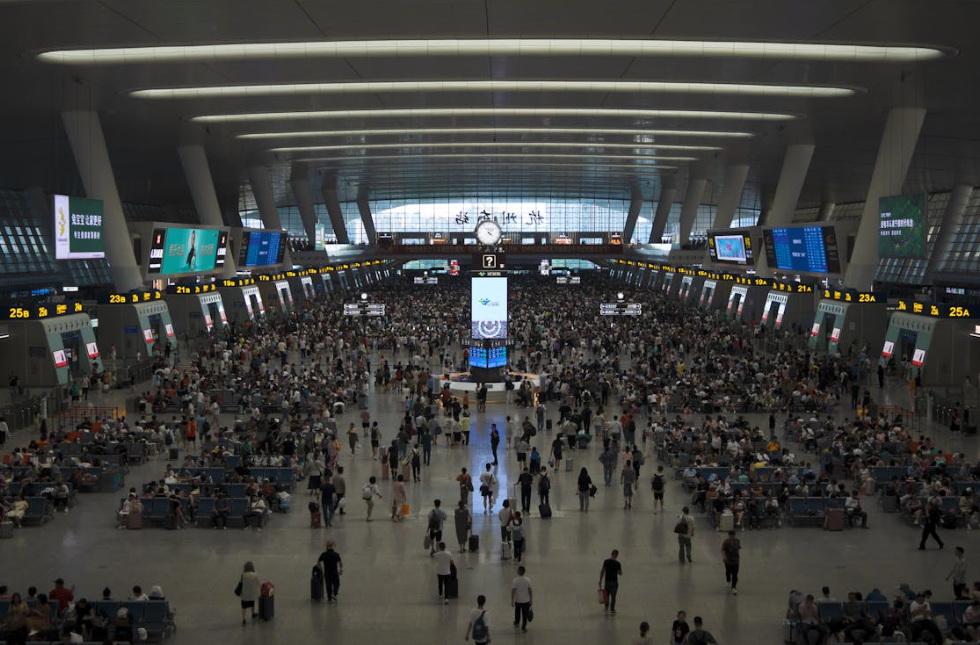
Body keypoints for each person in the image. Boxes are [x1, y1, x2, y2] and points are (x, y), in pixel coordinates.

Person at [599, 549, 623, 614]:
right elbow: (620, 573)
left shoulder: (606, 561)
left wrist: (600, 580)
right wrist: (616, 570)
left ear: (611, 554)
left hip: (607, 582)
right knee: (613, 596)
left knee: (606, 595)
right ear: (617, 555)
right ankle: (612, 609)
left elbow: (602, 571)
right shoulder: (617, 563)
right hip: (614, 582)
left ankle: (606, 606)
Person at [511, 565, 533, 632]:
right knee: (525, 614)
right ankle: (524, 626)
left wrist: (512, 600)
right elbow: (530, 591)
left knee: (517, 613)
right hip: (526, 601)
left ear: (519, 572)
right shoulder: (528, 580)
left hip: (518, 600)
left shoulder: (515, 580)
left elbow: (513, 591)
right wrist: (531, 600)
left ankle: (517, 623)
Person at [721, 529, 741, 594]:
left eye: (733, 535)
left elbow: (738, 549)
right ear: (729, 535)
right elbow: (723, 550)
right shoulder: (726, 542)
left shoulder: (737, 541)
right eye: (731, 535)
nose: (732, 537)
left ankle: (734, 587)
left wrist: (738, 559)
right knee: (728, 572)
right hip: (728, 561)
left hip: (735, 560)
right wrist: (724, 557)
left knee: (735, 574)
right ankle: (728, 580)